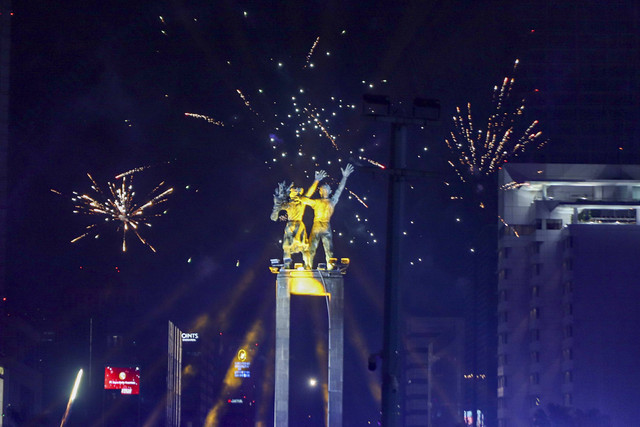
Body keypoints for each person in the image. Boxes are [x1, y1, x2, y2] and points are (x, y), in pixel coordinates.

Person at [271, 170, 327, 268]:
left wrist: (316, 181)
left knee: (303, 247)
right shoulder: (289, 204)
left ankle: (307, 265)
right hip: (292, 226)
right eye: (293, 190)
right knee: (289, 248)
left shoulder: (301, 201)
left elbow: (309, 193)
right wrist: (278, 202)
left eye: (296, 190)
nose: (294, 191)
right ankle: (288, 265)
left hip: (297, 225)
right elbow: (274, 215)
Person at [302, 164, 354, 268]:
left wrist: (345, 177)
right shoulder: (317, 202)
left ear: (330, 191)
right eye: (323, 188)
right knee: (312, 248)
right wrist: (316, 181)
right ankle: (308, 267)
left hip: (325, 225)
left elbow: (339, 190)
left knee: (329, 250)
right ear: (320, 191)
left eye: (327, 188)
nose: (325, 190)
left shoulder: (332, 201)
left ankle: (330, 268)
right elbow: (304, 199)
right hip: (317, 225)